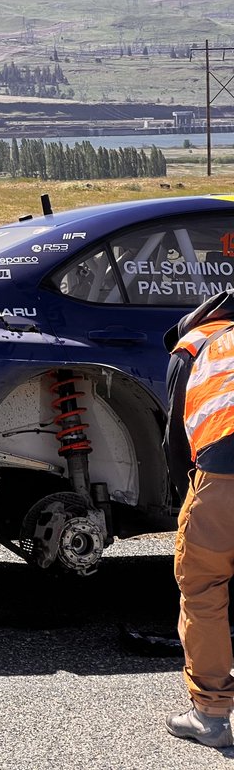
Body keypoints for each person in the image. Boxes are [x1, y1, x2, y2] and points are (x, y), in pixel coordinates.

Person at [163, 289, 234, 748]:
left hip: (225, 476)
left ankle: (211, 715)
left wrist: (182, 500)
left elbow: (174, 442)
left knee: (204, 588)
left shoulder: (195, 345)